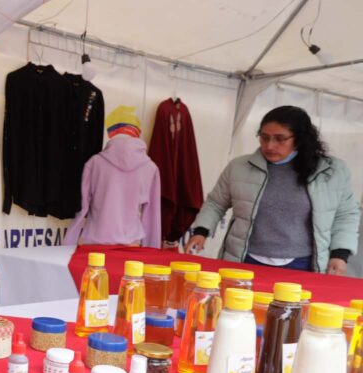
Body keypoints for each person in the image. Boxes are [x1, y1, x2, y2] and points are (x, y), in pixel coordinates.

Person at [185, 106, 359, 275]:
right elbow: (215, 203)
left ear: (300, 139)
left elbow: (345, 215)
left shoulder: (331, 172)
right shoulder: (239, 167)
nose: (269, 146)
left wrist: (340, 254)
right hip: (244, 259)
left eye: (280, 139)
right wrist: (201, 232)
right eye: (264, 137)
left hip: (302, 265)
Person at [64, 105, 161, 248]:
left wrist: (69, 242)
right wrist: (152, 250)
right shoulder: (150, 168)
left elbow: (83, 207)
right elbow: (152, 216)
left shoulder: (95, 163)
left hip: (95, 242)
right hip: (131, 244)